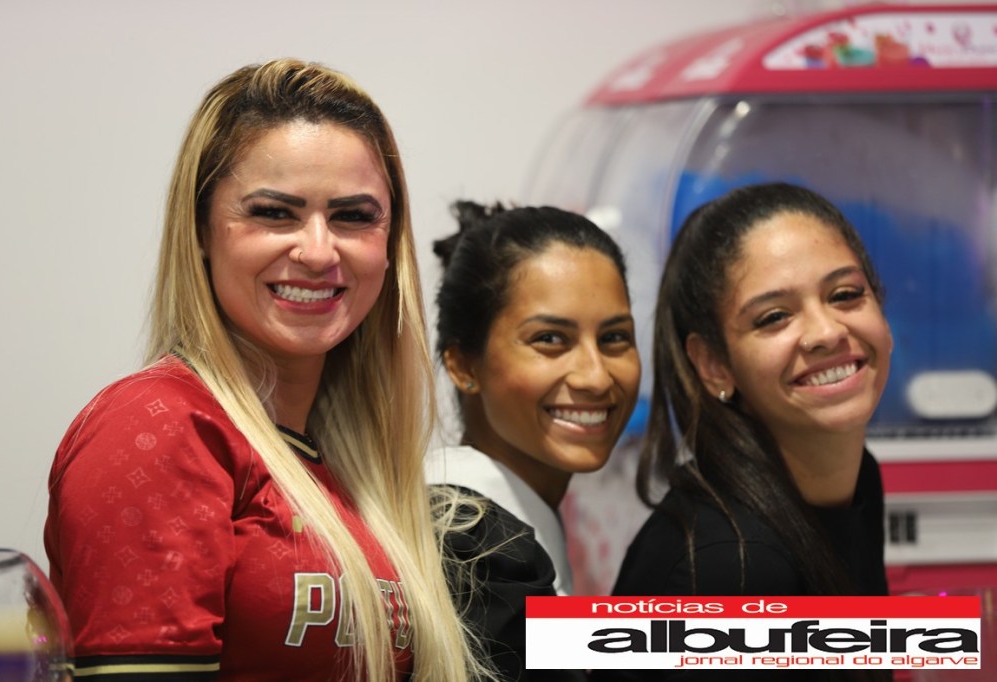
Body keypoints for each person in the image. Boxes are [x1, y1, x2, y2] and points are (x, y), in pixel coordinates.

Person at [44, 58, 486, 682]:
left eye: (354, 216)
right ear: (201, 230)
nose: (318, 251)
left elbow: (570, 641)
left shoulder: (352, 465)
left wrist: (627, 628)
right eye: (275, 213)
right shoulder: (159, 425)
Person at [593, 182, 892, 682]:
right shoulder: (731, 567)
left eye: (845, 294)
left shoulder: (856, 481)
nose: (827, 332)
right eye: (774, 317)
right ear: (714, 364)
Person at [427, 201, 642, 681]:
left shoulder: (497, 523)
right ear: (463, 365)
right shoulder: (471, 544)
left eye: (614, 338)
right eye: (550, 339)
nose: (595, 376)